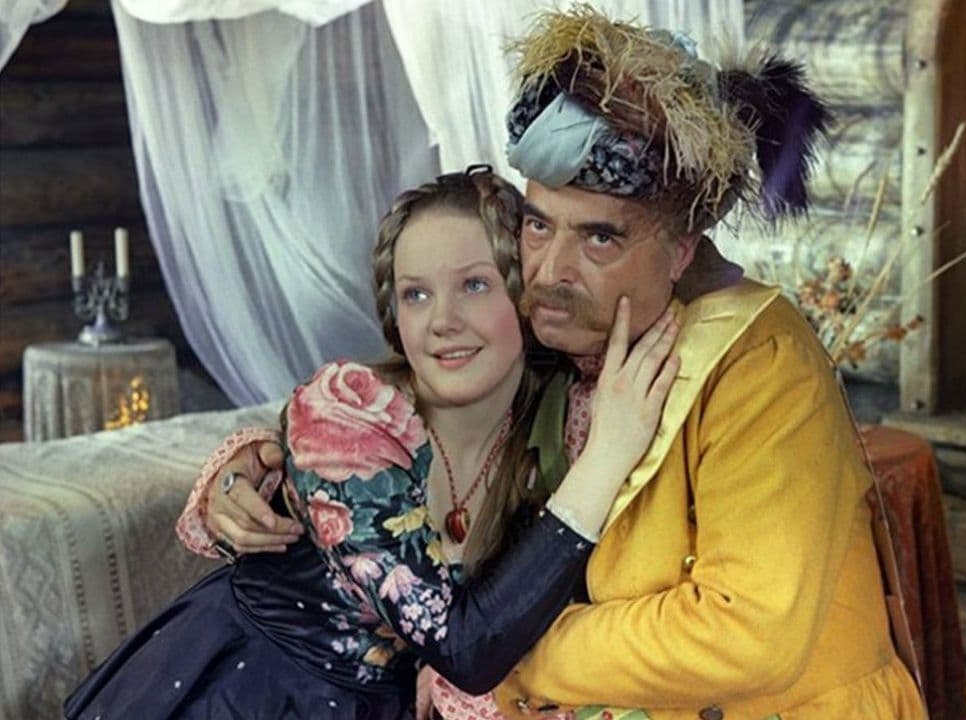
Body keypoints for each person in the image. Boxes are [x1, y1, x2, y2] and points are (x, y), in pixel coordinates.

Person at [201, 8, 928, 719]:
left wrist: (503, 654)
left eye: (600, 238)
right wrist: (261, 466)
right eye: (538, 224)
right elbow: (406, 404)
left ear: (681, 249)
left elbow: (746, 631)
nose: (550, 269)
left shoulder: (757, 364)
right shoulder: (553, 323)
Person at [64, 166, 680, 719]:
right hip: (244, 693)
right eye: (416, 294)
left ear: (526, 296)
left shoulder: (547, 422)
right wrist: (606, 460)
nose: (442, 321)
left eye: (474, 285)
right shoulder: (346, 417)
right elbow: (464, 647)